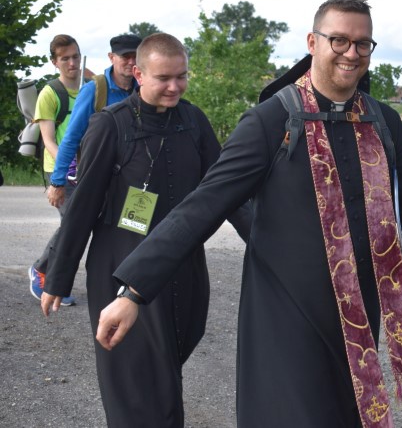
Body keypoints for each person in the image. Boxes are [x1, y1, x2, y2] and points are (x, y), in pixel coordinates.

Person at [93, 0, 402, 427]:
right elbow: (203, 206)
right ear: (313, 42)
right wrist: (134, 292)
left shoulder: (380, 120)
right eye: (340, 40)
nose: (352, 53)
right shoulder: (271, 121)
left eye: (362, 44)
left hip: (358, 318)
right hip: (286, 317)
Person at [40, 33, 253, 427]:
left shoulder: (194, 121)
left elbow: (227, 191)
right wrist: (59, 275)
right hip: (120, 265)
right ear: (138, 73)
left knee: (167, 369)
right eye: (163, 78)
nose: (174, 86)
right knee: (137, 382)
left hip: (182, 267)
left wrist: (265, 241)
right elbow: (82, 207)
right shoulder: (109, 126)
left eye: (182, 77)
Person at [45, 34, 141, 209]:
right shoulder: (94, 91)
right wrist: (58, 182)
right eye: (125, 56)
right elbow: (71, 138)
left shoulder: (145, 89)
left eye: (136, 56)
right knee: (75, 231)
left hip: (136, 180)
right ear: (112, 58)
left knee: (136, 228)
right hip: (100, 180)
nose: (131, 61)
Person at [28, 35, 82, 306]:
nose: (72, 63)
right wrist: (65, 170)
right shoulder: (50, 93)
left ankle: (53, 277)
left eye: (75, 56)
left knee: (82, 223)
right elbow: (49, 140)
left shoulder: (90, 84)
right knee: (73, 223)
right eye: (65, 59)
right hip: (59, 169)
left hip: (87, 168)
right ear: (54, 62)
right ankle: (42, 272)